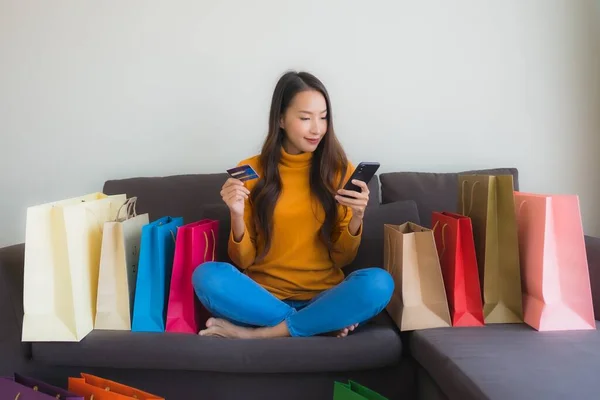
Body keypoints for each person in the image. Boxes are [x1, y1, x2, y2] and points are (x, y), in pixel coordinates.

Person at [192, 71, 394, 339]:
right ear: (281, 119)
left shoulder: (340, 171)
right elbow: (244, 260)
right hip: (264, 300)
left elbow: (343, 258)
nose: (317, 129)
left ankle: (259, 335)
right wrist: (237, 214)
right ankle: (315, 324)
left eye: (323, 117)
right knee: (207, 276)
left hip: (325, 296)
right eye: (305, 118)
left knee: (379, 283)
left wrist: (357, 216)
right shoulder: (250, 170)